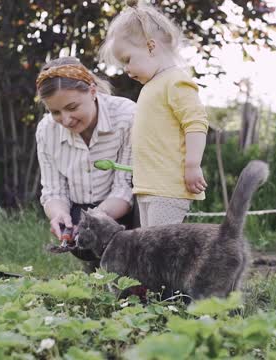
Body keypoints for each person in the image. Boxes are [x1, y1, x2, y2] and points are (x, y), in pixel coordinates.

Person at [99, 0, 209, 227]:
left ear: (151, 47)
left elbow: (196, 124)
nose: (127, 70)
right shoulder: (151, 86)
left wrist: (192, 164)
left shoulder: (175, 82)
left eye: (127, 60)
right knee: (151, 248)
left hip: (168, 188)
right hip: (148, 186)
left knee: (161, 249)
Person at [35, 56, 138, 272]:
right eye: (55, 112)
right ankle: (94, 267)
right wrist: (59, 215)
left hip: (124, 211)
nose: (66, 119)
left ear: (92, 91)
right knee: (92, 260)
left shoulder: (127, 116)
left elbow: (125, 188)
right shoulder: (46, 131)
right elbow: (53, 190)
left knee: (130, 268)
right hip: (80, 210)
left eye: (72, 107)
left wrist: (94, 221)